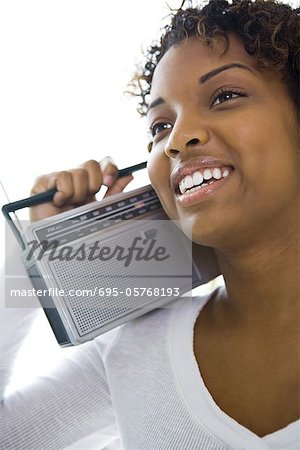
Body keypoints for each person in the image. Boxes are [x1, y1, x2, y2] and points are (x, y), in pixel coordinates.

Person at [1, 0, 299, 448]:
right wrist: (35, 255)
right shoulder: (136, 348)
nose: (178, 139)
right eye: (161, 126)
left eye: (225, 96)